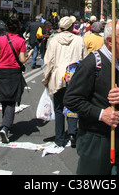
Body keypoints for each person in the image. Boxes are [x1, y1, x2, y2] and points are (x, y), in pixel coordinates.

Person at [64, 20, 119, 175]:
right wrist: (102, 114)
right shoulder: (92, 63)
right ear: (110, 41)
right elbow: (71, 99)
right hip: (96, 139)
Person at [42, 16, 87, 148]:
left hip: (58, 77)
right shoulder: (79, 40)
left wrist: (45, 78)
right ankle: (73, 134)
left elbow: (48, 61)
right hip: (75, 77)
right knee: (73, 106)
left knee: (58, 108)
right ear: (72, 27)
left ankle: (59, 138)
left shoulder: (54, 40)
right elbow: (85, 60)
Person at [0, 18, 34, 143]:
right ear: (18, 28)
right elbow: (22, 60)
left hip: (1, 71)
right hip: (14, 72)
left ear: (7, 28)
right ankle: (5, 127)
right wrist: (30, 54)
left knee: (4, 98)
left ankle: (6, 122)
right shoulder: (21, 41)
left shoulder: (0, 39)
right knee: (11, 100)